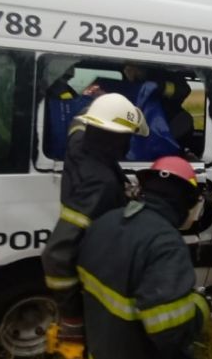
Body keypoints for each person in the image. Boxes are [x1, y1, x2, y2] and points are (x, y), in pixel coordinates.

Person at [77, 156, 209, 359]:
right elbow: (172, 332)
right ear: (186, 201)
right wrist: (200, 308)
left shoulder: (104, 221)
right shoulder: (166, 244)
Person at [42, 93, 149, 343]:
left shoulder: (80, 142)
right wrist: (71, 316)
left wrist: (98, 102)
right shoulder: (101, 184)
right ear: (118, 139)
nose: (129, 144)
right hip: (91, 267)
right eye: (128, 136)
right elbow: (56, 254)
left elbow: (78, 123)